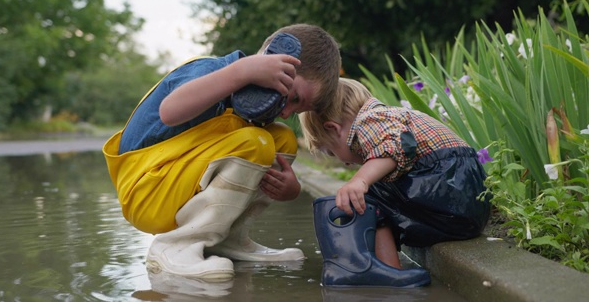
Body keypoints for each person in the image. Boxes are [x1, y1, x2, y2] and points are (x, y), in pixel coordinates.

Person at [102, 24, 342, 282]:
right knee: (255, 141)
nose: (286, 112)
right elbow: (169, 111)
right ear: (273, 60)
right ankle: (175, 246)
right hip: (147, 189)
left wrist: (291, 189)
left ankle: (228, 239)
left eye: (296, 110)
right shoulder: (212, 70)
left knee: (282, 139)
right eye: (293, 97)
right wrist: (242, 71)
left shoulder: (256, 110)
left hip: (174, 182)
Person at [300, 78, 490, 287]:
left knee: (368, 197)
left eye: (331, 151)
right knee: (376, 193)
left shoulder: (369, 120)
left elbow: (395, 147)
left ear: (334, 129)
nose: (343, 161)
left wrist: (360, 180)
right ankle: (383, 270)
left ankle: (385, 271)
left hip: (448, 188)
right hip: (466, 200)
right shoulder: (389, 115)